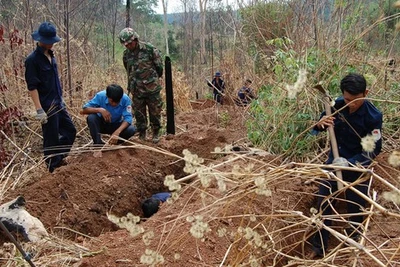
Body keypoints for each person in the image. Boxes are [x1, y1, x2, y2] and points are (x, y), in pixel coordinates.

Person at [310, 73, 382, 258]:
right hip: (334, 163)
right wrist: (320, 125)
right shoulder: (336, 105)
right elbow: (317, 127)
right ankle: (319, 248)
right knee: (323, 202)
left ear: (366, 93)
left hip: (358, 166)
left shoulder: (373, 116)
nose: (351, 104)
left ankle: (352, 247)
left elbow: (372, 150)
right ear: (343, 94)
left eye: (356, 100)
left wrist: (349, 164)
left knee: (356, 206)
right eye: (348, 99)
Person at [25, 22, 76, 173]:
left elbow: (54, 81)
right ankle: (52, 168)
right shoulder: (32, 60)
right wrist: (39, 109)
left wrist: (61, 98)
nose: (52, 43)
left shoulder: (51, 55)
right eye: (50, 41)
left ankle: (57, 158)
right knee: (51, 137)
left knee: (70, 131)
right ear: (41, 40)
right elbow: (32, 86)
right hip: (47, 106)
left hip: (58, 103)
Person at [118, 28, 163, 144]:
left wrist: (151, 79)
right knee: (139, 113)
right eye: (125, 45)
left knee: (155, 112)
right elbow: (128, 69)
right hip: (136, 89)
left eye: (130, 43)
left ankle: (155, 133)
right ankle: (142, 133)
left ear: (135, 39)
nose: (128, 46)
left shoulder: (149, 50)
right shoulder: (126, 55)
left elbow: (159, 68)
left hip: (151, 88)